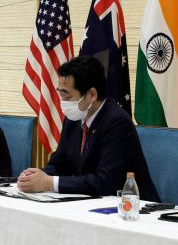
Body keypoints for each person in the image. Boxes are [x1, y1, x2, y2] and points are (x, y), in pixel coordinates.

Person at [17, 56, 159, 201]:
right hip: (91, 204)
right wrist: (35, 177)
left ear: (92, 94)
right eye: (60, 94)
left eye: (67, 96)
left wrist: (49, 183)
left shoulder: (117, 122)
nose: (62, 103)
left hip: (134, 209)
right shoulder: (73, 120)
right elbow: (58, 165)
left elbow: (104, 182)